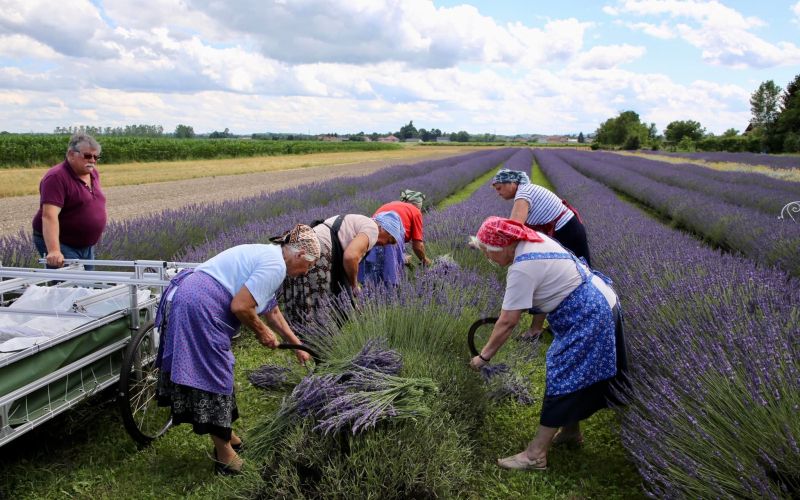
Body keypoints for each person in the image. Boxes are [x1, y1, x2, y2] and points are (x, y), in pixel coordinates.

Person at [154, 224, 320, 476]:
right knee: (213, 377)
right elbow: (241, 307)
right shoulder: (275, 266)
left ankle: (227, 436)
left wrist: (296, 344)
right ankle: (224, 456)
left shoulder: (271, 256)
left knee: (218, 371)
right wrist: (262, 331)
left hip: (193, 299)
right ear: (298, 255)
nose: (305, 272)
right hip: (199, 308)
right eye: (308, 266)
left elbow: (271, 310)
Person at [468, 217, 627, 471]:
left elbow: (508, 321)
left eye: (489, 254)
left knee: (563, 374)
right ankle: (571, 431)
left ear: (504, 247)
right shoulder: (531, 240)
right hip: (601, 299)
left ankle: (536, 455)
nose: (489, 260)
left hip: (590, 314)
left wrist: (483, 357)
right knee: (574, 373)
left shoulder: (522, 267)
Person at [491, 168, 591, 339]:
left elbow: (514, 230)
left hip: (568, 233)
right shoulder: (524, 192)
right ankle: (540, 329)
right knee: (552, 280)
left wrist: (491, 245)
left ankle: (578, 327)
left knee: (573, 283)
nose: (498, 193)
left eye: (499, 188)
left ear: (512, 183)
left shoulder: (524, 195)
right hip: (566, 231)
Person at [280, 212, 405, 326]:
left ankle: (295, 341)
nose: (384, 244)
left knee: (300, 299)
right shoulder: (372, 229)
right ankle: (315, 344)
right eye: (389, 240)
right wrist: (354, 284)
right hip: (320, 252)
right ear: (383, 229)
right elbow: (350, 257)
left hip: (301, 249)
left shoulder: (360, 221)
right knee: (320, 309)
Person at [31, 133, 106, 269]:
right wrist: (54, 250)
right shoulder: (56, 177)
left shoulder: (92, 173)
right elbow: (49, 215)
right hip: (62, 244)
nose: (93, 161)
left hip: (86, 246)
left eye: (96, 157)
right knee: (71, 288)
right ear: (71, 154)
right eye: (88, 156)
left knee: (88, 287)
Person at [359, 189, 432, 286]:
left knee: (372, 271)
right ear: (418, 205)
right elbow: (417, 245)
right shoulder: (416, 211)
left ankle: (368, 294)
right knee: (391, 274)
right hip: (389, 234)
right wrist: (424, 260)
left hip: (371, 231)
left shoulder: (390, 205)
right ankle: (389, 295)